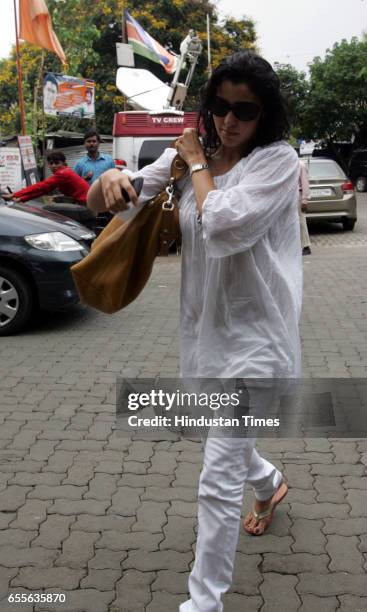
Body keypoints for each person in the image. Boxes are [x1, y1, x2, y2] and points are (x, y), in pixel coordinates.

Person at [87, 50, 301, 612]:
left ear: (266, 115)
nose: (230, 120)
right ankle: (271, 481)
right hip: (206, 334)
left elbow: (225, 225)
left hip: (258, 338)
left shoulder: (276, 163)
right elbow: (112, 204)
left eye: (245, 110)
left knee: (216, 473)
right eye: (221, 106)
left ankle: (202, 603)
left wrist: (195, 162)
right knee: (222, 442)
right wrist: (108, 180)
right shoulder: (191, 158)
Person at [2, 151, 89, 204]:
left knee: (48, 212)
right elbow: (43, 190)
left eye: (57, 163)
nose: (54, 166)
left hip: (84, 204)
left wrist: (14, 194)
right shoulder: (63, 173)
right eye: (51, 163)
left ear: (63, 163)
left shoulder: (63, 173)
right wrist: (21, 199)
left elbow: (40, 186)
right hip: (84, 202)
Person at [299, 159, 312, 255]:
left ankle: (306, 246)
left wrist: (304, 200)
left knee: (301, 221)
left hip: (298, 195)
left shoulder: (300, 165)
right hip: (289, 196)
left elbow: (305, 184)